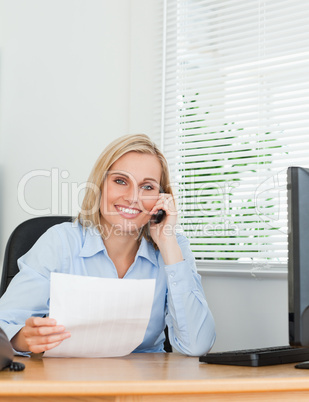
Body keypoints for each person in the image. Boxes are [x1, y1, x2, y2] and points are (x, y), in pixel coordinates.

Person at [0, 134, 215, 356]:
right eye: (120, 181)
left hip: (144, 382)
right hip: (66, 379)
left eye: (148, 187)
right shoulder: (60, 242)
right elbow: (4, 323)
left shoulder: (173, 247)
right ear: (100, 186)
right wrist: (21, 339)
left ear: (161, 199)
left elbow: (197, 346)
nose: (133, 197)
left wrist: (168, 244)